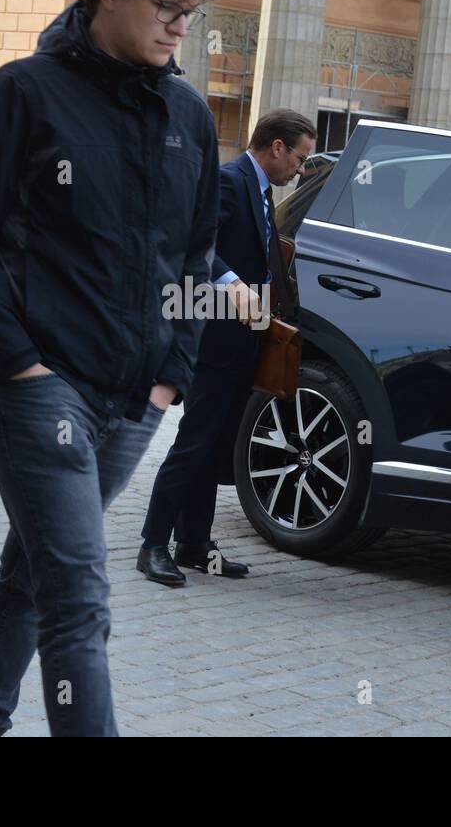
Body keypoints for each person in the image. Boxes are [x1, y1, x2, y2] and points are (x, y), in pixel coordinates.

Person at [0, 0, 223, 737]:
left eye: (189, 11)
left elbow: (196, 257)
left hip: (135, 400)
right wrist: (16, 362)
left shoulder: (189, 118)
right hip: (39, 393)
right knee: (79, 599)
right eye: (165, 4)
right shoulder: (23, 93)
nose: (178, 25)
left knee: (35, 574)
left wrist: (173, 377)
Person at [138, 110, 316, 586]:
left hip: (245, 339)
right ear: (276, 147)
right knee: (195, 441)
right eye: (298, 158)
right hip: (214, 339)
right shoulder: (229, 180)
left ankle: (194, 543)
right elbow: (197, 245)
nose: (299, 170)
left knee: (217, 445)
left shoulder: (259, 191)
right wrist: (233, 284)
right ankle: (153, 544)